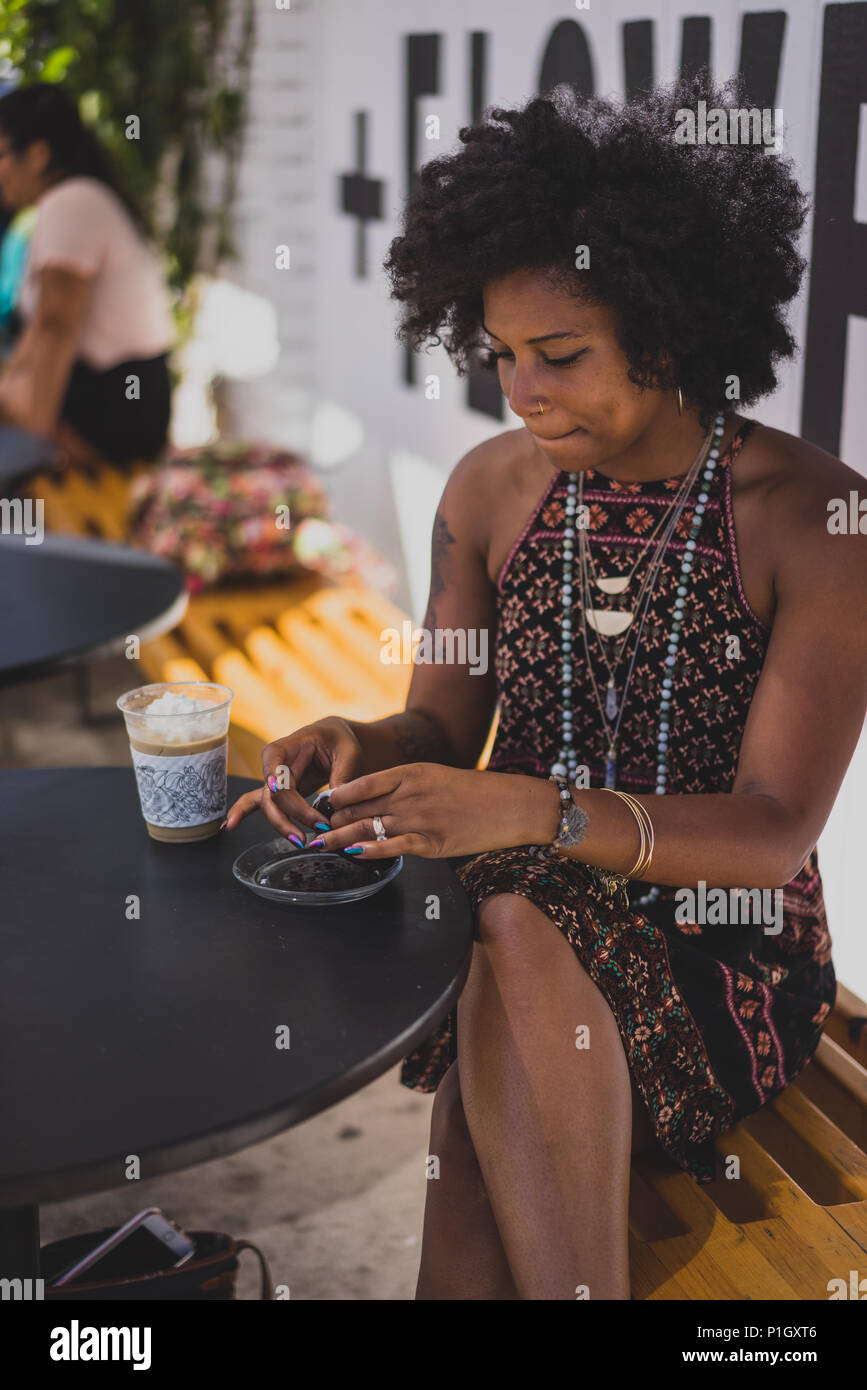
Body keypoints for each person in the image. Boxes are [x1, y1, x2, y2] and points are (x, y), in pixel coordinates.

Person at [222, 73, 867, 1300]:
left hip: (725, 943)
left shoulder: (815, 521)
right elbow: (442, 718)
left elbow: (776, 833)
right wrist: (361, 738)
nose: (521, 391)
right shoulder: (489, 492)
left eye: (559, 355)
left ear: (670, 332)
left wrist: (534, 811)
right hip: (529, 916)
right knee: (510, 956)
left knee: (504, 955)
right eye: (502, 353)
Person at [0, 84, 174, 465]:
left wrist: (32, 435)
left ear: (38, 155)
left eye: (1, 155)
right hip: (132, 399)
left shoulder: (71, 202)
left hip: (121, 409)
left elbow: (57, 324)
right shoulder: (74, 201)